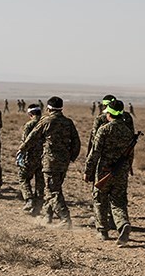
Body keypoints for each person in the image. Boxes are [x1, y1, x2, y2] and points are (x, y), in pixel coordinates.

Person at [17, 96, 80, 227]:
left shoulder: (46, 121)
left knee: (52, 191)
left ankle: (65, 219)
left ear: (48, 108)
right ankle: (48, 216)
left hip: (50, 161)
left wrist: (22, 149)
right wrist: (71, 157)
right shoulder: (68, 122)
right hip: (64, 162)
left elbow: (32, 137)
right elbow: (77, 143)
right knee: (52, 188)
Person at [84, 100, 134, 246]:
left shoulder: (104, 129)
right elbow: (130, 154)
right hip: (121, 171)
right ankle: (123, 223)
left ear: (109, 114)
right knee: (118, 201)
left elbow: (95, 153)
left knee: (99, 198)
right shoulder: (127, 131)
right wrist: (128, 167)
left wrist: (88, 171)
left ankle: (102, 231)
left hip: (104, 171)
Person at [17, 104, 44, 216]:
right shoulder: (46, 123)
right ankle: (38, 208)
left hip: (31, 157)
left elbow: (25, 141)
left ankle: (29, 200)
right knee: (40, 183)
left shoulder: (29, 125)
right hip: (44, 158)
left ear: (30, 114)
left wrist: (20, 152)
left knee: (23, 178)